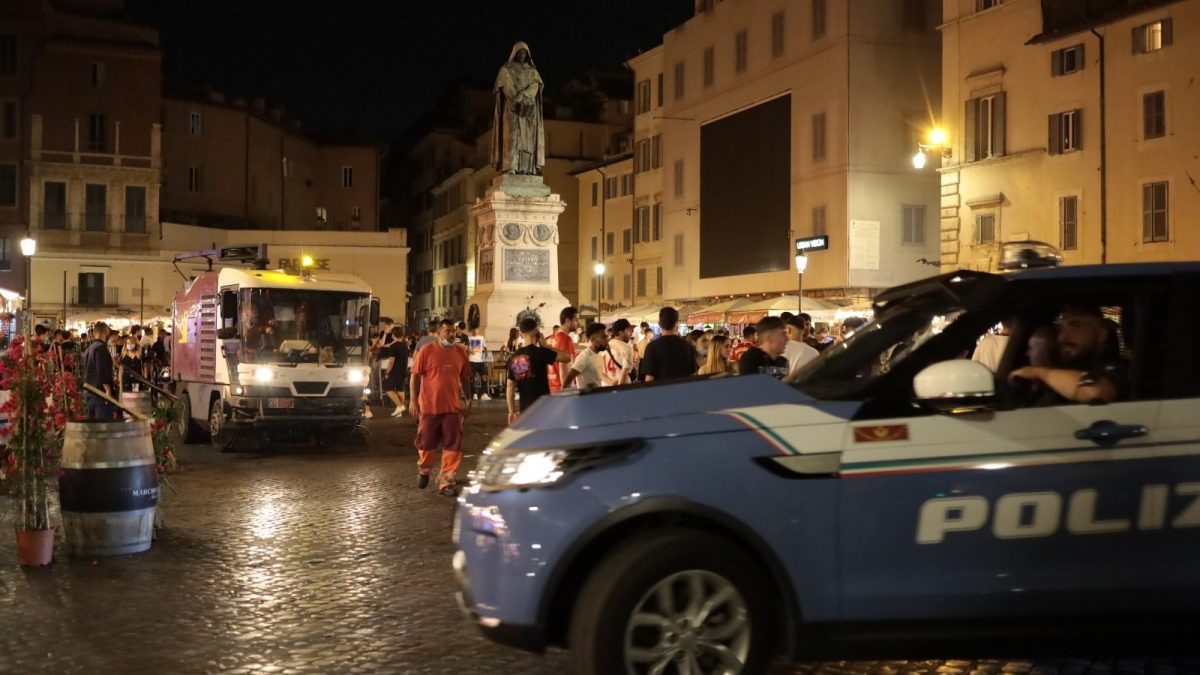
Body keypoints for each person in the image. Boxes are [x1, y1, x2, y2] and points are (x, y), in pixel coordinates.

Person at [1008, 303, 1127, 404]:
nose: (1062, 337)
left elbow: (1096, 392)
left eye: (1076, 326)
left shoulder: (1116, 366)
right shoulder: (1064, 367)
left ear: (1102, 334)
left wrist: (1041, 373)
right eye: (1061, 328)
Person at [409, 319, 472, 495]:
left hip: (452, 408)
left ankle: (447, 481)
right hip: (429, 407)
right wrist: (413, 401)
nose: (452, 335)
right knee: (426, 443)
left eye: (453, 331)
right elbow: (414, 378)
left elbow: (466, 379)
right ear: (439, 333)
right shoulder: (426, 351)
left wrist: (469, 399)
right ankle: (424, 469)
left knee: (453, 444)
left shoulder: (461, 353)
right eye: (448, 331)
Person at [491, 41, 545, 175]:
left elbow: (535, 86)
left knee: (528, 141)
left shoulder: (532, 72)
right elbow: (505, 86)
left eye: (524, 53)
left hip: (528, 109)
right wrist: (516, 98)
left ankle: (527, 168)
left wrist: (524, 95)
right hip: (512, 108)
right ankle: (511, 167)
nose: (522, 55)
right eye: (519, 52)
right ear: (514, 54)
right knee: (512, 137)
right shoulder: (506, 70)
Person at [506, 317, 571, 424]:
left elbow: (510, 386)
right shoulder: (542, 352)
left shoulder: (515, 357)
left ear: (521, 334)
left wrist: (511, 411)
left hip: (525, 410)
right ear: (537, 332)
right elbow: (566, 357)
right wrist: (545, 345)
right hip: (543, 409)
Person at [640, 307, 697, 382]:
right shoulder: (688, 346)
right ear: (677, 324)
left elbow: (649, 378)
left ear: (659, 324)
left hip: (660, 392)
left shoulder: (652, 347)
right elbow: (692, 375)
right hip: (683, 391)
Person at [83, 322, 117, 419]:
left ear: (94, 333)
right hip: (100, 394)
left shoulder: (89, 349)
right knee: (103, 426)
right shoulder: (101, 348)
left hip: (89, 391)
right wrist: (108, 391)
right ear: (106, 332)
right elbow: (102, 371)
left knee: (93, 427)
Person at [563, 322, 609, 390]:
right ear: (593, 339)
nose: (607, 340)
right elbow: (568, 380)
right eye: (603, 337)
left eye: (607, 337)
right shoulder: (584, 357)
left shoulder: (599, 355)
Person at [547, 307, 579, 393]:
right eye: (576, 320)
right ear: (568, 321)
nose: (578, 323)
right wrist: (565, 389)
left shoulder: (550, 338)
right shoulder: (566, 338)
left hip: (552, 385)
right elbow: (563, 366)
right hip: (562, 387)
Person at [382, 325, 410, 417]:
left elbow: (391, 361)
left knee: (388, 388)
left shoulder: (394, 346)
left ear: (394, 335)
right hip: (403, 370)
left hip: (395, 371)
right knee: (400, 389)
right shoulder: (405, 346)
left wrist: (387, 372)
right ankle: (399, 411)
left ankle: (400, 406)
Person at [601, 319, 635, 386]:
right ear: (621, 332)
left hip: (605, 386)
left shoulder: (605, 345)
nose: (631, 333)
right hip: (622, 388)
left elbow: (599, 371)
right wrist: (618, 389)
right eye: (628, 330)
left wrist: (610, 383)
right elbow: (624, 373)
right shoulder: (627, 348)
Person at [467, 326, 491, 400]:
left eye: (476, 329)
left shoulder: (481, 337)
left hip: (480, 361)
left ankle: (482, 393)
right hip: (471, 360)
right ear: (471, 330)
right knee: (472, 378)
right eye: (473, 329)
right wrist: (468, 350)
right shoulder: (468, 338)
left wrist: (486, 354)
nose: (475, 331)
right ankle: (474, 393)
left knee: (484, 376)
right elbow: (466, 348)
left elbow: (485, 347)